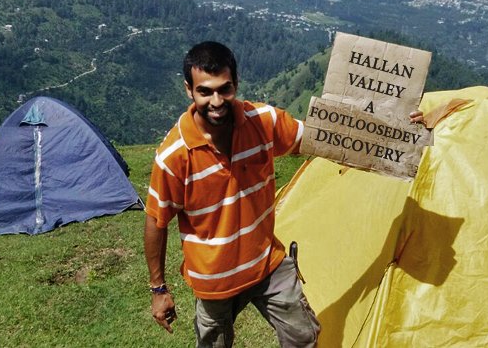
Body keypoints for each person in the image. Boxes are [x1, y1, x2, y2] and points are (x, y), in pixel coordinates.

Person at [144, 41, 424, 347]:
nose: (216, 100)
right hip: (214, 284)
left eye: (224, 89)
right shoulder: (173, 156)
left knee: (304, 336)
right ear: (189, 90)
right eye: (205, 91)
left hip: (267, 264)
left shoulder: (264, 122)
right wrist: (158, 289)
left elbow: (326, 137)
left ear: (235, 84)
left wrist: (399, 130)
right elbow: (156, 222)